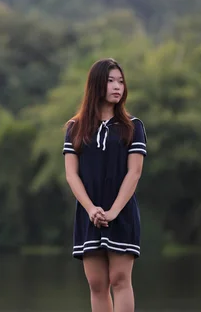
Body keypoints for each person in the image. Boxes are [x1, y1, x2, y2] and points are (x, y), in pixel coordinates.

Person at [62, 58, 147, 312]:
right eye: (110, 81)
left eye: (120, 81)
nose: (117, 86)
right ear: (96, 84)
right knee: (97, 284)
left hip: (122, 213)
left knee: (120, 280)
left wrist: (113, 211)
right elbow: (71, 175)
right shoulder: (75, 128)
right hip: (89, 215)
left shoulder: (133, 127)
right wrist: (91, 209)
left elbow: (134, 173)